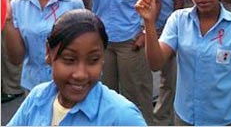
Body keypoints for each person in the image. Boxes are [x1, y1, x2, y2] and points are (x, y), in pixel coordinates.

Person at [72, 0, 161, 124]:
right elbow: (80, 1)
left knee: (137, 94)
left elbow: (156, 2)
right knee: (105, 94)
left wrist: (146, 33)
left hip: (130, 44)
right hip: (101, 45)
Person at [7, 9, 147, 126]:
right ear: (48, 53)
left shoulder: (122, 117)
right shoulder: (38, 98)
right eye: (69, 60)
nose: (81, 74)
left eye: (93, 60)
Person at [3, 0, 84, 92]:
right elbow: (16, 58)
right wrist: (7, 21)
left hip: (68, 85)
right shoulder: (17, 5)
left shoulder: (73, 4)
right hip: (32, 86)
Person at [145, 0, 184, 126]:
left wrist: (176, 27)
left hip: (168, 25)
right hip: (146, 27)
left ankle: (162, 118)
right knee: (146, 73)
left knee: (169, 78)